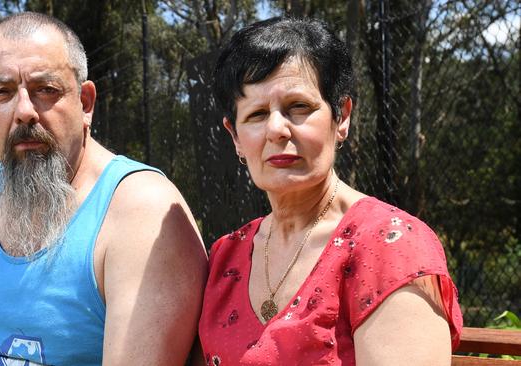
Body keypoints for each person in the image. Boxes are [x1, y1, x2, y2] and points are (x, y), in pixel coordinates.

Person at [0, 12, 207, 365]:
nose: (25, 111)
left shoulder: (138, 212)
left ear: (85, 103)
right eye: (2, 92)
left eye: (46, 90)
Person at [198, 17, 462, 365]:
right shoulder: (224, 258)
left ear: (342, 116)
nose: (277, 129)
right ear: (235, 138)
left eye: (299, 107)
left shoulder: (391, 247)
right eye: (257, 114)